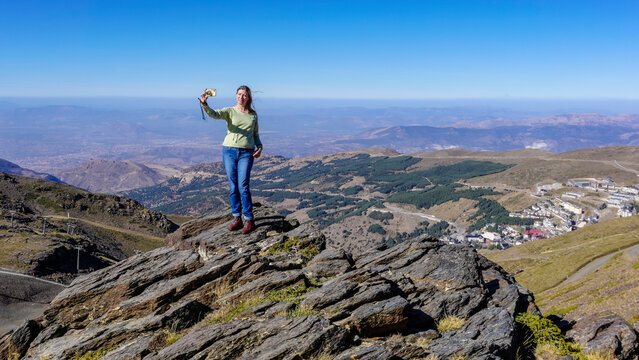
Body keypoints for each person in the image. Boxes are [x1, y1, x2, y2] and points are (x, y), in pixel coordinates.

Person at [199, 86, 263, 234]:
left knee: (243, 186)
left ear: (248, 97)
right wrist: (204, 104)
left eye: (244, 95)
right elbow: (214, 114)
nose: (242, 97)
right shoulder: (230, 111)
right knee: (233, 186)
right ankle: (237, 218)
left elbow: (255, 133)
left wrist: (259, 147)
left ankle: (249, 219)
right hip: (228, 151)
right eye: (239, 94)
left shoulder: (253, 115)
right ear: (236, 96)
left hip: (247, 152)